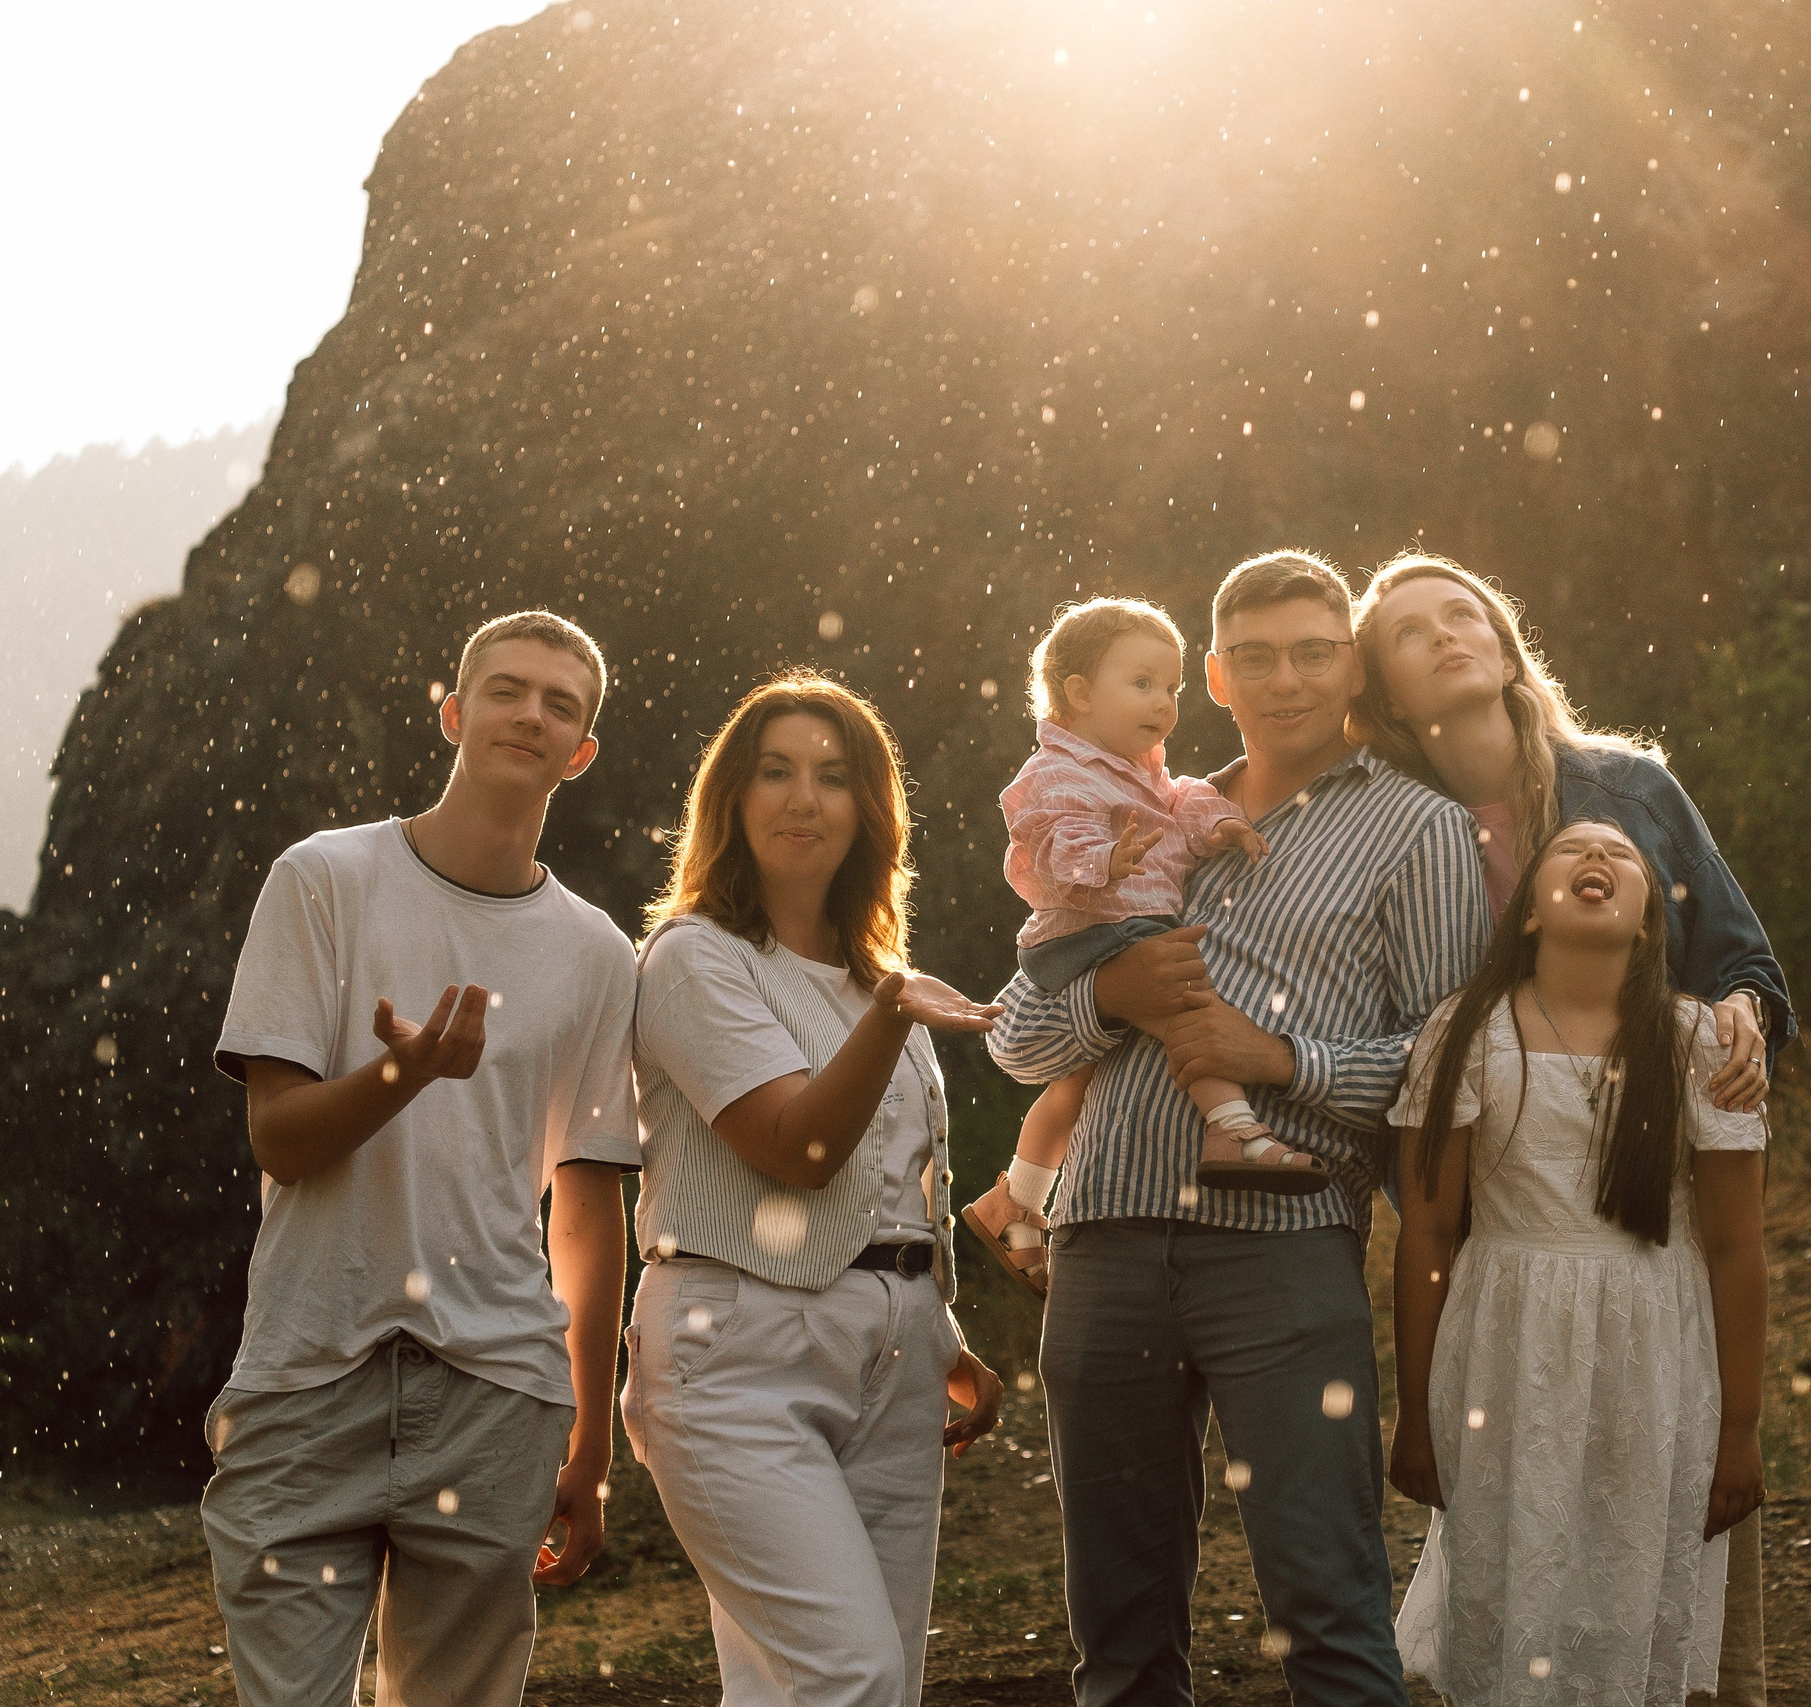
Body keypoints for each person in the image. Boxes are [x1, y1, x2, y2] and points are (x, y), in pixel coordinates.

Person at [987, 549, 1492, 1705]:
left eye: (1313, 654)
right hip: (1103, 1244)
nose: (1286, 680)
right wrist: (1109, 997)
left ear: (1352, 666)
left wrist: (1279, 1059)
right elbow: (1015, 1038)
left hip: (1285, 1244)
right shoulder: (1140, 807)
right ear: (1214, 677)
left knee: (1328, 1613)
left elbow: (1450, 1067)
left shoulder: (1417, 829)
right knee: (1117, 1642)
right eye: (1255, 658)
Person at [1349, 551, 1789, 1705]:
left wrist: (1743, 1013)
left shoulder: (1625, 791)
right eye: (1411, 632)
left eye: (1464, 613)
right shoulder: (1388, 830)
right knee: (1526, 1533)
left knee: (1664, 1535)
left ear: (1504, 645)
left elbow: (1739, 961)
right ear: (1383, 692)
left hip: (1653, 1212)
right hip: (1499, 1241)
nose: (1447, 635)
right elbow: (1401, 1041)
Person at [204, 609, 636, 1704]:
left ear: (580, 752)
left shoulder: (597, 952)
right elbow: (279, 1138)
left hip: (497, 1395)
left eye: (559, 705)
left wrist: (590, 1443)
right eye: (506, 690)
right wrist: (405, 1073)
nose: (530, 715)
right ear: (453, 713)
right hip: (309, 1373)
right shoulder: (323, 878)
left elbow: (586, 1210)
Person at [621, 669, 1006, 1705]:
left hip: (895, 1359)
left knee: (852, 1682)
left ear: (869, 808)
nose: (805, 798)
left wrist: (931, 1326)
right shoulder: (693, 958)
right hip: (736, 1351)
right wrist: (894, 1013)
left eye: (834, 777)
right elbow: (799, 1148)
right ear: (732, 799)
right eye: (775, 772)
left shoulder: (873, 971)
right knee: (848, 1673)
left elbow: (886, 1183)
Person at [1388, 820, 1770, 1703]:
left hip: (1653, 1360)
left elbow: (1736, 1246)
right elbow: (1428, 1232)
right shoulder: (1468, 1030)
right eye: (1571, 849)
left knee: (1623, 1589)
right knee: (1506, 1582)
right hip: (1506, 1355)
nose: (1598, 858)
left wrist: (1740, 1430)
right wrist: (1414, 1413)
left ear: (1648, 922)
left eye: (1623, 855)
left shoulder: (1697, 1042)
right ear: (1528, 913)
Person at [961, 597, 1295, 1300]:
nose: (1164, 703)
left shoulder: (1140, 768)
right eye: (1142, 684)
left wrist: (1221, 824)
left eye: (1172, 687)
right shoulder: (1055, 772)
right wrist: (1104, 860)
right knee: (1187, 1005)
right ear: (1079, 692)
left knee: (1077, 1082)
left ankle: (1015, 1201)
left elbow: (1182, 800)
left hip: (1119, 927)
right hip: (1091, 929)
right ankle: (1232, 1129)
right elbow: (1050, 840)